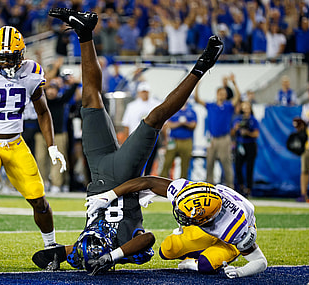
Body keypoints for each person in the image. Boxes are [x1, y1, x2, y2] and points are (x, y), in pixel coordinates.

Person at [31, 8, 224, 275]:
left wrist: (59, 254)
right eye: (99, 245)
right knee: (155, 117)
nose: (95, 240)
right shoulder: (126, 247)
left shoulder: (83, 249)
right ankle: (202, 66)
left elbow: (48, 255)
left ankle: (84, 32)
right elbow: (148, 240)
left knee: (91, 101)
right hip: (124, 177)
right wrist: (113, 256)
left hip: (97, 170)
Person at [0, 26, 67, 255]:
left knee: (39, 200)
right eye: (1, 57)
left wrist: (52, 146)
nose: (5, 63)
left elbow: (43, 112)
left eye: (11, 57)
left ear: (22, 54)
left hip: (15, 143)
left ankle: (50, 245)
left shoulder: (32, 72)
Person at [85, 176, 268, 279]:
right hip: (209, 223)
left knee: (206, 265)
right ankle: (199, 247)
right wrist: (108, 196)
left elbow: (261, 262)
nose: (179, 215)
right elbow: (148, 181)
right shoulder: (190, 193)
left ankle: (197, 260)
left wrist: (239, 272)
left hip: (229, 240)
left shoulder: (236, 229)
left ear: (204, 219)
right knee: (167, 249)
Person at [194, 76, 241, 188]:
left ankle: (230, 187)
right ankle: (209, 186)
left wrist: (234, 83)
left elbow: (238, 97)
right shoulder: (211, 105)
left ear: (226, 95)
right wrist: (197, 85)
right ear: (217, 94)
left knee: (226, 163)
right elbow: (197, 99)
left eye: (223, 93)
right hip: (212, 138)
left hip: (224, 138)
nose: (221, 95)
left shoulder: (228, 106)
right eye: (220, 93)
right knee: (209, 163)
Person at [121, 81, 160, 175]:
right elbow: (126, 125)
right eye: (142, 91)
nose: (144, 94)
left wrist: (164, 139)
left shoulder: (155, 104)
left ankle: (146, 180)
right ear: (139, 92)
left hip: (152, 138)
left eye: (146, 91)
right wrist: (124, 141)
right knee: (135, 162)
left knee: (150, 161)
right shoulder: (132, 106)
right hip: (135, 138)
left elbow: (164, 124)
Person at [160, 101, 197, 179]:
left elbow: (194, 125)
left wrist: (185, 123)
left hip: (186, 141)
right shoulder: (173, 111)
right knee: (167, 162)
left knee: (185, 165)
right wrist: (180, 123)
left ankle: (183, 185)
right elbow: (168, 125)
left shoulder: (192, 112)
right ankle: (162, 181)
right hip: (173, 140)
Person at [231, 101, 260, 197]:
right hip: (241, 144)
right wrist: (236, 128)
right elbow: (233, 132)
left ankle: (249, 189)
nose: (245, 110)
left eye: (247, 107)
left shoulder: (253, 120)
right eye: (244, 107)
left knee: (249, 168)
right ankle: (241, 187)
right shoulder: (238, 119)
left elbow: (256, 134)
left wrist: (247, 133)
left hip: (250, 144)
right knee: (238, 166)